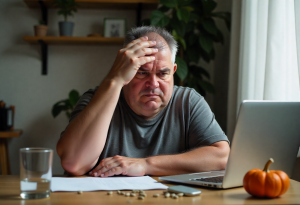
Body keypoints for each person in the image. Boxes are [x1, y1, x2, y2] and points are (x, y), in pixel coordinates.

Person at [57, 26, 230, 177]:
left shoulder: (188, 102)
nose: (153, 84)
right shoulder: (96, 99)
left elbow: (222, 157)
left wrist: (146, 164)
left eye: (163, 73)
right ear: (125, 70)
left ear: (174, 71)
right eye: (142, 72)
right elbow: (74, 163)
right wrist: (114, 80)